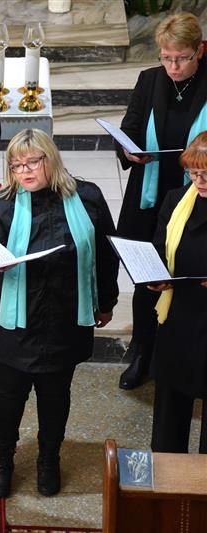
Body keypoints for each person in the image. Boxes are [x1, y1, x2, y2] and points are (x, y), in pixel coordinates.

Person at [0, 129, 119, 498]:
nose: (24, 171)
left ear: (50, 159)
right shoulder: (2, 203)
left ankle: (48, 458)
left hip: (64, 318)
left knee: (55, 397)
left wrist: (106, 302)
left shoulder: (86, 197)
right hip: (14, 322)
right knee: (8, 397)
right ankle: (4, 460)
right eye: (16, 165)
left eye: (32, 162)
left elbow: (106, 254)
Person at [115, 12, 207, 390]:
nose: (173, 66)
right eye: (166, 57)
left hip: (197, 193)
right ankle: (142, 352)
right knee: (147, 275)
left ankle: (186, 355)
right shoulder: (149, 80)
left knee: (188, 276)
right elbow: (129, 128)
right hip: (150, 194)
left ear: (200, 51)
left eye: (182, 57)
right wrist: (130, 151)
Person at [147, 132, 207, 454]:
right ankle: (166, 480)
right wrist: (154, 278)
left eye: (205, 173)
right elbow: (159, 248)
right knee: (170, 414)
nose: (198, 180)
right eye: (192, 173)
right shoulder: (176, 200)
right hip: (179, 316)